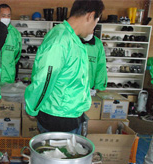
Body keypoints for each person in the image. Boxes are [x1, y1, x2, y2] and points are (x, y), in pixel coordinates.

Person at [24, 0, 105, 135]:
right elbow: (45, 79)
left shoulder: (72, 39)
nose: (94, 27)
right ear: (90, 16)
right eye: (97, 21)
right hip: (58, 118)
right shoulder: (60, 40)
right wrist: (33, 107)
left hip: (70, 114)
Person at [0, 4, 22, 85]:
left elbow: (17, 56)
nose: (6, 18)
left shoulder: (15, 34)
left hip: (8, 79)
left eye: (8, 16)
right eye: (3, 15)